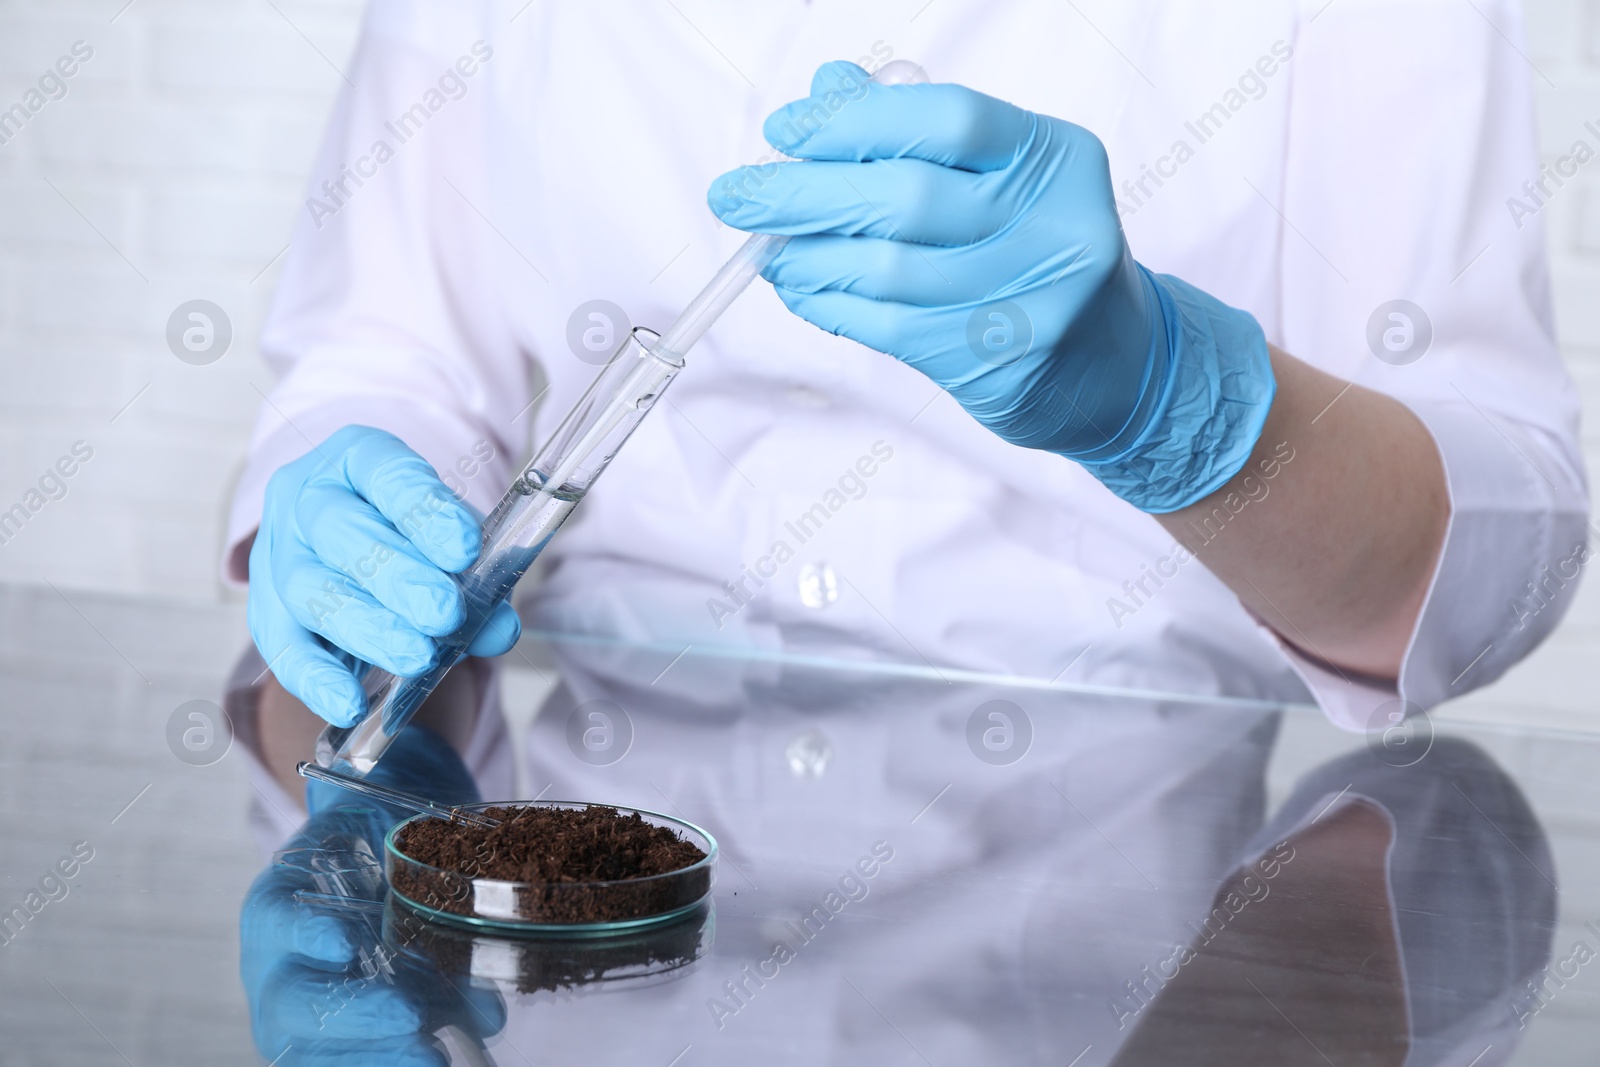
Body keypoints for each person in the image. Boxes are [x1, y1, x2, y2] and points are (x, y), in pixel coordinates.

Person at [225, 1, 1586, 819]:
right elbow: (387, 350)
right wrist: (370, 498)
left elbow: (1485, 565)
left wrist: (1177, 396)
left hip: (1136, 890)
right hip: (583, 847)